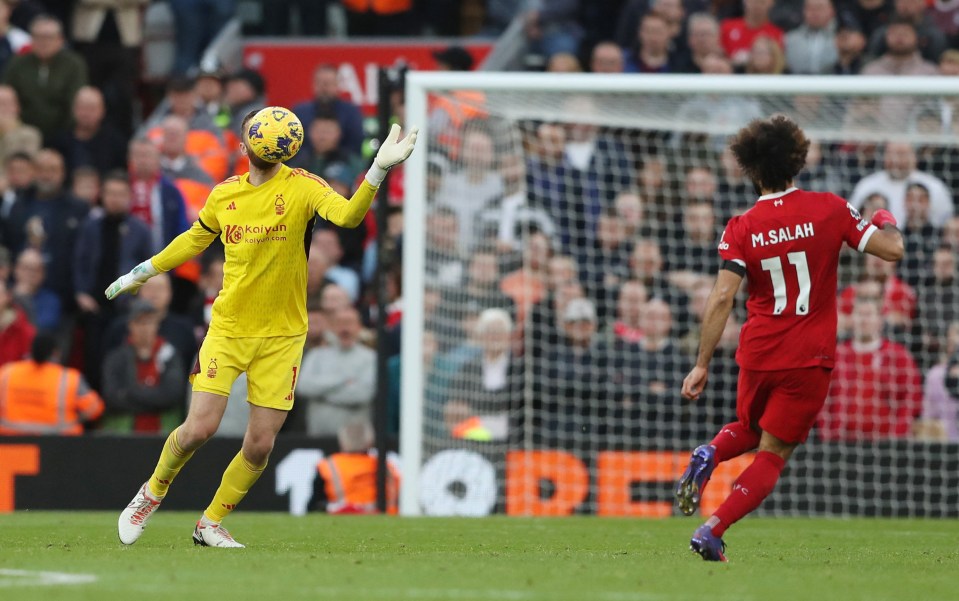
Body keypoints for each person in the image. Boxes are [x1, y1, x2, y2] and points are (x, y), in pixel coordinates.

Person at [106, 106, 417, 548]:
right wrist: (145, 270)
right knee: (198, 429)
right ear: (243, 145)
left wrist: (377, 171)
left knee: (259, 445)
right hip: (229, 327)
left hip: (283, 336)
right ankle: (149, 495)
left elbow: (347, 218)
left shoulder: (304, 186)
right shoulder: (224, 195)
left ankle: (209, 523)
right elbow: (195, 237)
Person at [675, 115, 903, 561]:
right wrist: (885, 219)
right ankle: (713, 529)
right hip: (807, 357)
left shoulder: (740, 226)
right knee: (774, 452)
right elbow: (892, 250)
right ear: (796, 162)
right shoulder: (829, 208)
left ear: (752, 169)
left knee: (749, 427)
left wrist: (701, 362)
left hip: (757, 351)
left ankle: (709, 451)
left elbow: (722, 298)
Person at [0, 332, 104, 435]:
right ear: (55, 353)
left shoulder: (7, 373)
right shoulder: (69, 378)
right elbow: (94, 409)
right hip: (59, 444)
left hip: (11, 444)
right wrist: (77, 420)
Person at [311, 420, 400, 514]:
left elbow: (314, 506)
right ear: (371, 442)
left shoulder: (328, 466)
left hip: (343, 520)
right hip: (386, 520)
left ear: (342, 441)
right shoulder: (386, 466)